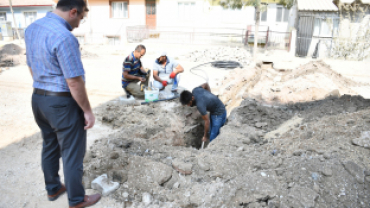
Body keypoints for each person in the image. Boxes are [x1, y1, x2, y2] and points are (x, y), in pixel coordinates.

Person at [25, 0, 101, 207]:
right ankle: (76, 199)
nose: (79, 23)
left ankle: (53, 188)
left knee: (49, 145)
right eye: (81, 18)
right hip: (61, 103)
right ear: (73, 12)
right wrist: (87, 111)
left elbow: (31, 66)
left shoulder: (32, 28)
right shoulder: (64, 37)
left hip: (39, 98)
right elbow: (74, 82)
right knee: (72, 152)